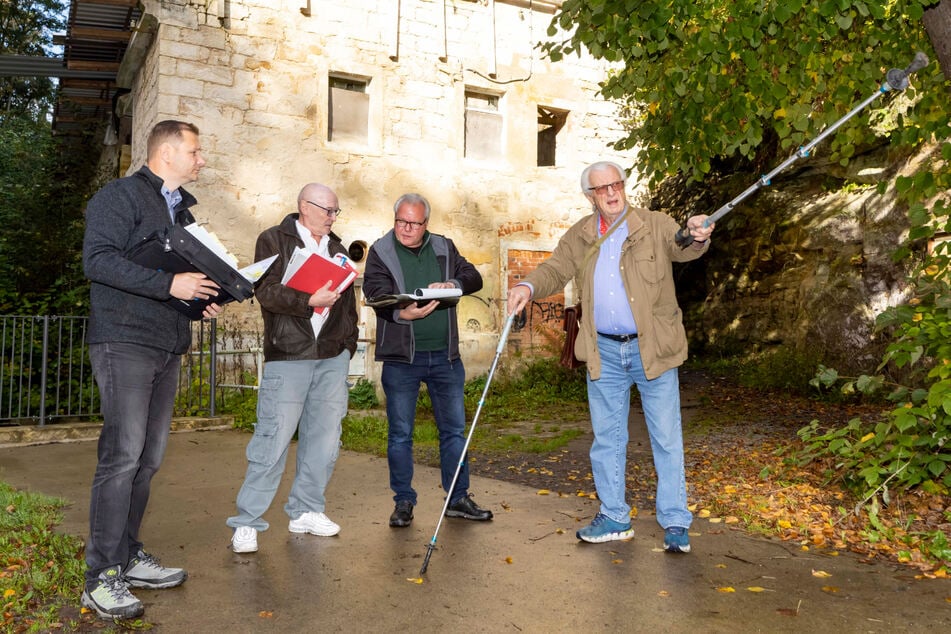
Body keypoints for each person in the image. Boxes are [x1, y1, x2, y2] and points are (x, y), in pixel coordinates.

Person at [506, 161, 714, 553]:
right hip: (602, 349)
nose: (612, 193)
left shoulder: (652, 223)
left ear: (624, 186)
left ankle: (674, 519)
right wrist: (527, 285)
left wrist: (696, 233)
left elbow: (682, 244)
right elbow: (555, 268)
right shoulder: (582, 235)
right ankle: (615, 516)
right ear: (590, 196)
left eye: (616, 184)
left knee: (666, 438)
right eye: (602, 189)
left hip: (652, 347)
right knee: (607, 439)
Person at [81, 120, 224, 620]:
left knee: (147, 459)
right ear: (166, 153)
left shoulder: (180, 211)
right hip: (124, 340)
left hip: (167, 342)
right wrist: (172, 287)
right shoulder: (119, 196)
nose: (201, 159)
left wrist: (199, 299)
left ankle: (126, 555)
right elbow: (98, 261)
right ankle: (99, 576)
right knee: (121, 457)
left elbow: (174, 275)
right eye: (196, 150)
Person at [227, 183, 358, 553]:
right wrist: (307, 300)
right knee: (273, 439)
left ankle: (306, 510)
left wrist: (347, 345)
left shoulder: (337, 248)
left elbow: (348, 306)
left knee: (325, 439)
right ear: (304, 206)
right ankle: (247, 521)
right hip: (289, 354)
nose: (332, 218)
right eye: (327, 210)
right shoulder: (274, 239)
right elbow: (265, 291)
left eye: (336, 212)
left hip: (331, 357)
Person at [363, 193, 493, 528]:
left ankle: (458, 498)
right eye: (400, 221)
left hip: (446, 358)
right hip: (401, 360)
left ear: (426, 224)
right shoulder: (381, 250)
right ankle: (403, 501)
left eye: (413, 223)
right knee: (400, 434)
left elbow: (473, 278)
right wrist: (399, 312)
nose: (406, 229)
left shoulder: (444, 247)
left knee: (453, 432)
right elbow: (375, 292)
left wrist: (452, 283)